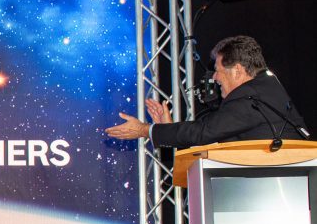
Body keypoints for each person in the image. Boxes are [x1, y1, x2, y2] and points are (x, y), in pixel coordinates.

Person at [106, 35, 309, 147]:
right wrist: (168, 128)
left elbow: (203, 132)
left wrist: (144, 130)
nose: (214, 78)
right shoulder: (264, 89)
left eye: (218, 71)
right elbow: (210, 144)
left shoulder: (251, 97)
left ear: (237, 70)